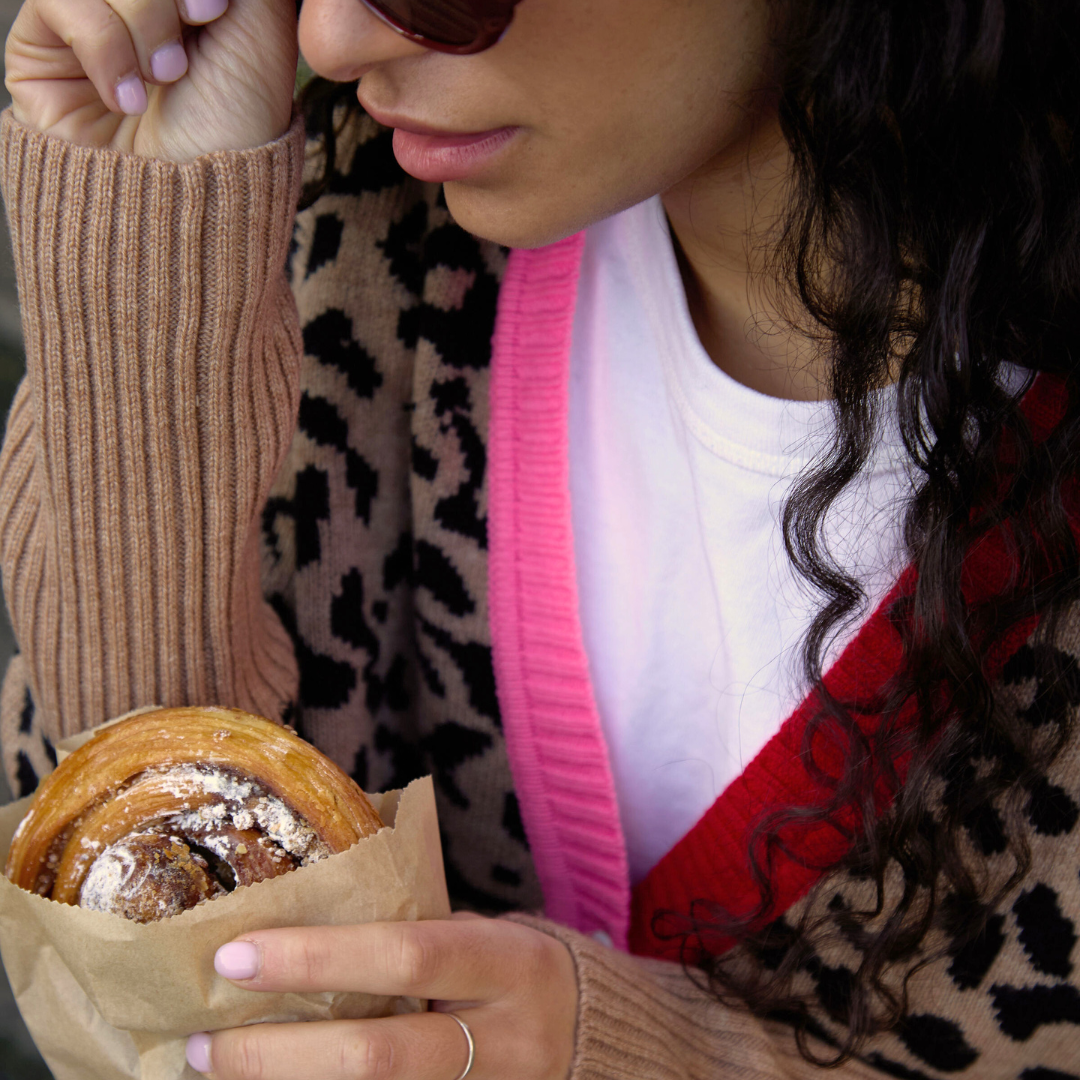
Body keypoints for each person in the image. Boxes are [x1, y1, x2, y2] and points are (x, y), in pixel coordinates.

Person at [0, 0, 1078, 1077]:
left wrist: (651, 1061)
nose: (328, 38)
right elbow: (135, 920)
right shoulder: (363, 245)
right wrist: (149, 268)